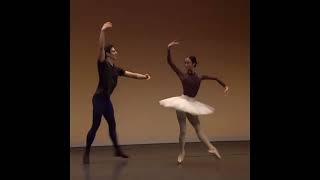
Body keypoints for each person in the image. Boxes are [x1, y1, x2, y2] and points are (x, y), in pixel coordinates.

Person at [83, 21, 151, 164]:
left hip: (107, 100)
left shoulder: (116, 69)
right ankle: (87, 152)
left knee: (112, 125)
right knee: (95, 126)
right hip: (98, 99)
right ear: (107, 54)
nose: (116, 52)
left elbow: (131, 74)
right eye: (113, 51)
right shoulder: (102, 63)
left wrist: (144, 77)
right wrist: (102, 30)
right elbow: (101, 46)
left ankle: (117, 150)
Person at [159, 40, 229, 164]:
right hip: (182, 102)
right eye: (185, 63)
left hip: (192, 103)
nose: (186, 65)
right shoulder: (182, 75)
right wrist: (168, 49)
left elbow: (215, 78)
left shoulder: (199, 77)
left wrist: (225, 86)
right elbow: (170, 62)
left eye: (188, 63)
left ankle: (211, 148)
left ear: (194, 64)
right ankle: (182, 152)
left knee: (198, 128)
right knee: (183, 130)